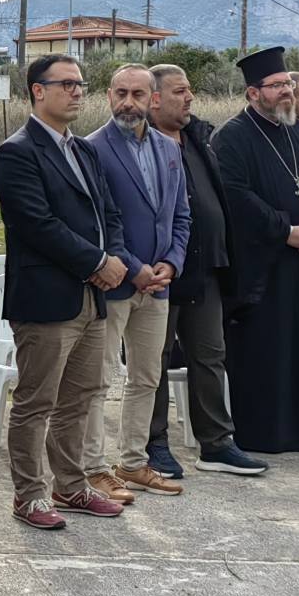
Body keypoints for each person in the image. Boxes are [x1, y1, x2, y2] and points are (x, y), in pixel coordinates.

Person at [0, 53, 129, 530]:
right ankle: (29, 494)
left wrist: (115, 259)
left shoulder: (84, 149)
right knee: (36, 402)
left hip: (91, 300)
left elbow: (108, 214)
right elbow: (38, 225)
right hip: (47, 300)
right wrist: (97, 263)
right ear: (37, 91)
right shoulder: (18, 152)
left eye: (80, 84)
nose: (76, 92)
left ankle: (70, 485)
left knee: (81, 397)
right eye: (66, 84)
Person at [212, 46, 299, 455]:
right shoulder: (231, 138)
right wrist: (286, 231)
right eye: (277, 86)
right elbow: (234, 198)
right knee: (264, 349)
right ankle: (264, 433)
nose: (286, 92)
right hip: (263, 269)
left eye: (288, 84)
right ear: (254, 94)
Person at [143, 65, 266, 477]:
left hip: (206, 267)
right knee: (154, 361)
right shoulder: (140, 143)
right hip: (161, 272)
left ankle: (215, 443)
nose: (190, 97)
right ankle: (154, 444)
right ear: (154, 98)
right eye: (180, 91)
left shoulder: (198, 139)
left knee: (210, 355)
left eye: (190, 89)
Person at [81, 64, 189, 501]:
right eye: (121, 93)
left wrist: (172, 264)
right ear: (108, 96)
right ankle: (92, 467)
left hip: (158, 285)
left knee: (146, 377)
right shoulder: (92, 148)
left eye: (138, 94)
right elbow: (98, 222)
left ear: (152, 99)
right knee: (97, 380)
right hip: (115, 283)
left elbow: (181, 214)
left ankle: (133, 462)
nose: (129, 102)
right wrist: (134, 266)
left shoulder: (168, 148)